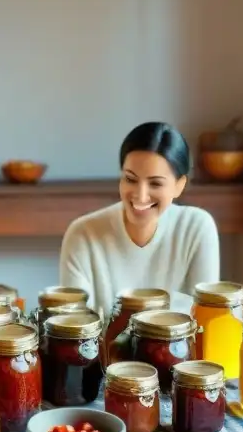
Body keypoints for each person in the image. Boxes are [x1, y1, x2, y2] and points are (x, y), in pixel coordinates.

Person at [59, 121, 221, 314]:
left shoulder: (197, 228)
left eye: (155, 184)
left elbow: (206, 317)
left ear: (179, 185)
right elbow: (74, 329)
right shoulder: (83, 235)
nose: (140, 196)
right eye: (130, 179)